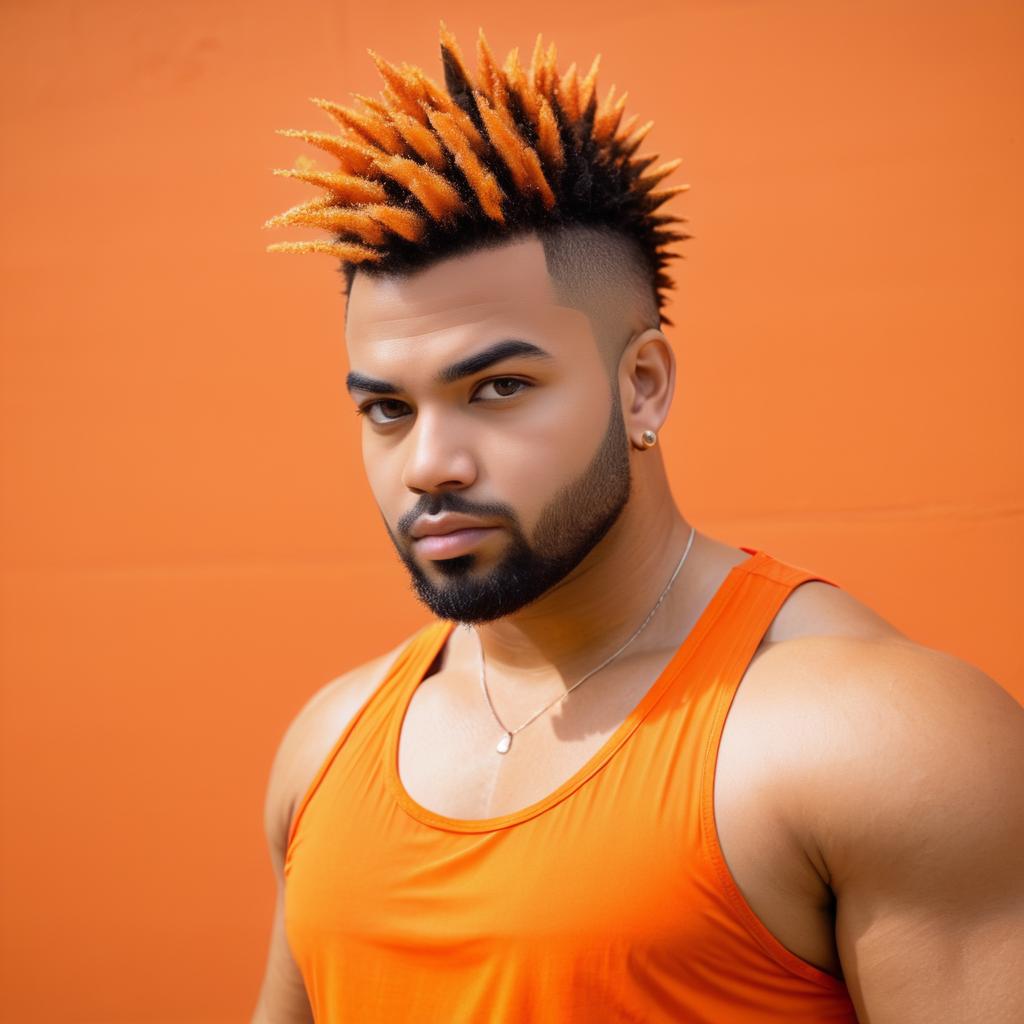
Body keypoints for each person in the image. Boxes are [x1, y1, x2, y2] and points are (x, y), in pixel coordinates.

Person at [251, 23, 1024, 1023]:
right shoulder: (328, 743)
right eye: (387, 409)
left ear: (642, 387)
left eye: (496, 387)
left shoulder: (881, 738)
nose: (428, 463)